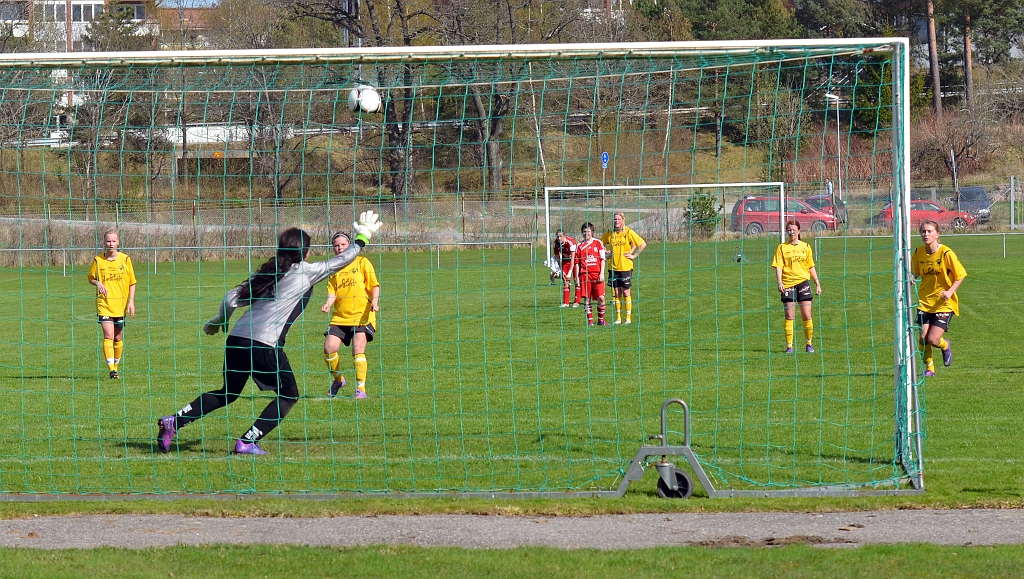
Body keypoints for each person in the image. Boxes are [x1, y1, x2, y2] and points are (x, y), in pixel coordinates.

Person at [156, 211, 383, 456]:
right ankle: (246, 441)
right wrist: (362, 237)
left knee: (228, 393)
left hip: (236, 340)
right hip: (264, 344)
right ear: (304, 252)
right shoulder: (304, 271)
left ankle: (175, 421)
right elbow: (341, 260)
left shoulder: (267, 272)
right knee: (289, 395)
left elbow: (231, 297)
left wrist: (219, 320)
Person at [321, 231, 380, 399]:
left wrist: (375, 302)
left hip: (362, 316)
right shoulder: (334, 268)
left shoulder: (362, 262)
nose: (340, 248)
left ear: (350, 246)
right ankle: (338, 380)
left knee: (357, 349)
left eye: (343, 245)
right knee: (329, 348)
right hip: (340, 317)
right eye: (336, 246)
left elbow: (374, 285)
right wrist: (327, 304)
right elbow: (332, 291)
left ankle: (360, 389)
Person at [911, 220, 966, 377]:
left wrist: (949, 292)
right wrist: (912, 277)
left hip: (943, 303)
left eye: (929, 231)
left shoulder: (946, 253)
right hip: (925, 302)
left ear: (937, 234)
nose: (926, 234)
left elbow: (961, 275)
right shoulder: (918, 253)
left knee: (934, 339)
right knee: (923, 338)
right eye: (923, 231)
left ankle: (945, 345)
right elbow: (916, 271)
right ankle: (930, 368)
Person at [87, 229, 136, 379]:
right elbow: (90, 277)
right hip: (104, 304)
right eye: (108, 241)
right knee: (108, 334)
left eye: (113, 241)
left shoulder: (125, 259)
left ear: (118, 242)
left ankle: (116, 366)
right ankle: (112, 370)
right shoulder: (98, 260)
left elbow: (132, 283)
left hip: (120, 305)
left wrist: (131, 302)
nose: (111, 244)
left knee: (118, 337)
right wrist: (98, 283)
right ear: (104, 242)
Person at [771, 220, 822, 353]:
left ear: (799, 231)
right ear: (787, 231)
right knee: (789, 315)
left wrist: (817, 283)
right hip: (788, 284)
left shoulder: (806, 247)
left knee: (806, 315)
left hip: (803, 283)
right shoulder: (782, 247)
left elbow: (811, 266)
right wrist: (780, 282)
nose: (791, 231)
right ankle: (789, 346)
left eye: (794, 229)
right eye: (789, 229)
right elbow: (778, 266)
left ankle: (809, 343)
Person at [601, 211, 646, 324]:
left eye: (618, 219)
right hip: (613, 267)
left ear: (622, 220)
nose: (616, 221)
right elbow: (600, 244)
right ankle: (618, 318)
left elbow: (642, 244)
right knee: (617, 293)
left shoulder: (629, 232)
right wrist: (606, 252)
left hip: (625, 267)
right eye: (615, 219)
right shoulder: (609, 233)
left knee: (626, 292)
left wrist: (634, 255)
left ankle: (628, 319)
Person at [576, 222, 607, 326]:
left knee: (601, 298)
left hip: (597, 274)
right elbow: (577, 263)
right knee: (586, 298)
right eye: (584, 232)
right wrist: (577, 278)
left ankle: (601, 320)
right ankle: (590, 321)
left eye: (588, 231)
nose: (586, 234)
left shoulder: (598, 243)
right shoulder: (579, 246)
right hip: (585, 275)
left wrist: (602, 273)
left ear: (592, 232)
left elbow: (603, 259)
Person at [551, 229, 581, 307]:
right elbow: (557, 258)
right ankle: (566, 303)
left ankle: (577, 302)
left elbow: (573, 259)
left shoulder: (571, 243)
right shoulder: (555, 244)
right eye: (557, 236)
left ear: (564, 236)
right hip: (565, 262)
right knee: (565, 281)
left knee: (576, 280)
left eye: (561, 236)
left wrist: (569, 272)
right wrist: (561, 270)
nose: (559, 238)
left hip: (575, 261)